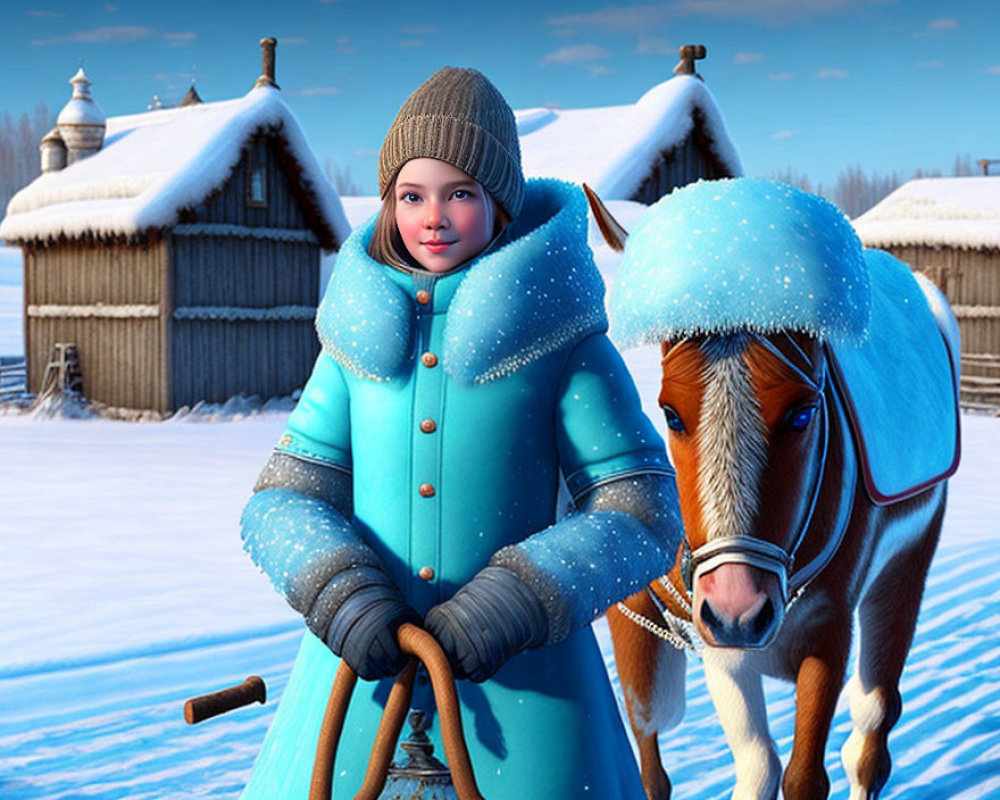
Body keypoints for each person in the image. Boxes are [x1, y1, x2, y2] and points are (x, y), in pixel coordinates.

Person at [239, 66, 683, 799]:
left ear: (499, 203)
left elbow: (642, 511)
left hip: (531, 698)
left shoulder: (561, 338)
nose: (433, 217)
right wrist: (338, 590)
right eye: (412, 195)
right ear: (388, 203)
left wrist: (518, 598)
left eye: (461, 194)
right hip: (357, 688)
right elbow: (281, 499)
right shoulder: (353, 343)